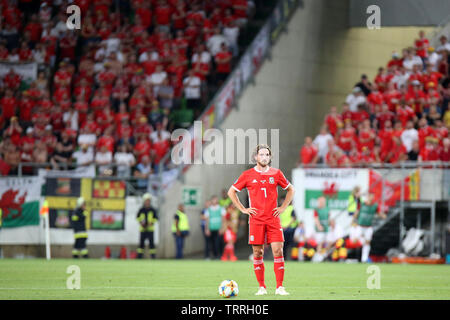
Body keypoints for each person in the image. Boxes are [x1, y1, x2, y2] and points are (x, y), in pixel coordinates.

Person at [227, 144, 295, 296]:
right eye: (261, 154)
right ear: (255, 157)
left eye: (267, 155)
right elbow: (231, 192)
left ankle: (280, 287)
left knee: (278, 250)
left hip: (273, 219)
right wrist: (243, 209)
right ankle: (262, 287)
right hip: (256, 220)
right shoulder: (247, 175)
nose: (264, 157)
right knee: (258, 253)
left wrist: (283, 207)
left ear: (270, 158)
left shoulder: (276, 173)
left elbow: (291, 189)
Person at [352, 193, 386, 263]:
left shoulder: (375, 206)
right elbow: (356, 212)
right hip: (360, 226)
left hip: (368, 227)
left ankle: (364, 259)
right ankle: (362, 240)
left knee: (367, 243)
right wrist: (353, 220)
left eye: (372, 196)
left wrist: (383, 216)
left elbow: (379, 213)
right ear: (367, 197)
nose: (371, 198)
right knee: (355, 240)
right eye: (369, 196)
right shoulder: (362, 204)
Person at [136, 193, 158, 259]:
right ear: (144, 201)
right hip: (142, 229)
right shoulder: (141, 210)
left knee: (151, 244)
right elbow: (138, 217)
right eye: (146, 200)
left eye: (148, 201)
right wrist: (141, 223)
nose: (147, 202)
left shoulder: (152, 210)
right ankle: (139, 257)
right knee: (141, 244)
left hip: (150, 229)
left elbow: (156, 218)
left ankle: (153, 257)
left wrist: (151, 223)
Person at [204, 195, 226, 260]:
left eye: (215, 199)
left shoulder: (221, 208)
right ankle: (212, 256)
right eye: (213, 200)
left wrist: (222, 228)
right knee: (211, 243)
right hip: (211, 228)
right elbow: (207, 219)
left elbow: (223, 219)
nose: (214, 201)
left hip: (218, 228)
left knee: (218, 243)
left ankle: (218, 256)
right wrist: (207, 229)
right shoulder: (209, 209)